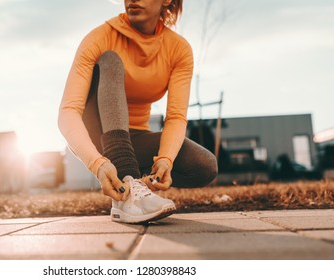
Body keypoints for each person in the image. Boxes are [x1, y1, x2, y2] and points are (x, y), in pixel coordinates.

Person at [58, 0, 217, 224]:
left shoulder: (178, 49)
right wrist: (98, 164)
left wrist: (165, 160)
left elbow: (175, 117)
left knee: (203, 165)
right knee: (111, 60)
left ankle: (133, 186)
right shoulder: (100, 37)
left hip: (136, 138)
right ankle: (129, 188)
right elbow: (68, 112)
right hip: (96, 130)